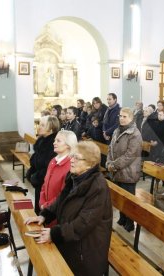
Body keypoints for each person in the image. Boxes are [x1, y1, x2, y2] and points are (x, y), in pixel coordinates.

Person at [25, 141, 112, 275]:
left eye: (77, 158)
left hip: (86, 249)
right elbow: (61, 199)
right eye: (72, 156)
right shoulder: (74, 177)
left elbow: (84, 223)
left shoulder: (98, 186)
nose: (71, 160)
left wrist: (55, 234)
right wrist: (45, 215)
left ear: (90, 163)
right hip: (72, 238)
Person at [106, 107, 142, 232]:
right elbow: (110, 148)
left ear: (131, 118)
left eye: (124, 116)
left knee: (128, 200)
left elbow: (130, 155)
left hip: (129, 172)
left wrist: (114, 165)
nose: (121, 118)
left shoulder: (135, 134)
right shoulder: (117, 130)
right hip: (117, 170)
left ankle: (130, 222)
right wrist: (108, 161)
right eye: (120, 116)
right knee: (119, 197)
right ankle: (122, 217)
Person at [39, 130, 77, 221]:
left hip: (58, 213)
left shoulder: (71, 166)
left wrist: (47, 206)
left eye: (58, 141)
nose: (54, 143)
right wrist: (42, 202)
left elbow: (64, 194)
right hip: (47, 210)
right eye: (55, 140)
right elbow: (44, 184)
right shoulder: (53, 161)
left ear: (68, 145)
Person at [26, 116, 60, 215]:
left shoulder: (53, 144)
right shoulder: (42, 140)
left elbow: (49, 168)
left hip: (47, 183)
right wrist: (32, 171)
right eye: (39, 124)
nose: (39, 127)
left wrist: (36, 177)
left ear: (51, 128)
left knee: (44, 210)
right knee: (38, 208)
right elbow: (35, 159)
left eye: (42, 125)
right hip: (40, 181)